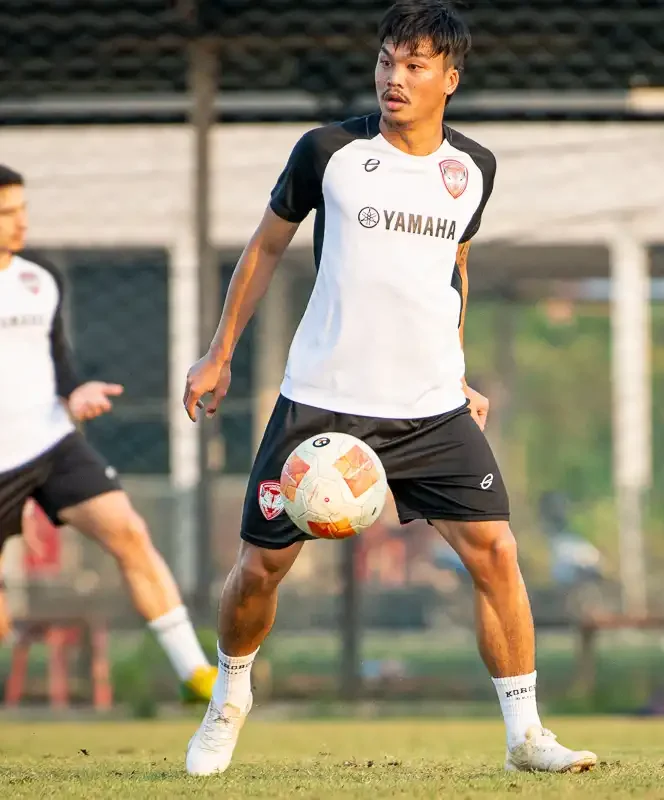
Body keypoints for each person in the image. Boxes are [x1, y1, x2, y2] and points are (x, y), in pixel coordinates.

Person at [183, 0, 597, 775]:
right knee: (260, 569)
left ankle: (526, 735)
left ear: (451, 77)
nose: (393, 77)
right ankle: (229, 695)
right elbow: (266, 248)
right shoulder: (328, 151)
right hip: (322, 400)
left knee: (497, 553)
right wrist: (218, 353)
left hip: (431, 407)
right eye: (386, 59)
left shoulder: (474, 168)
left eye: (414, 65)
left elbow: (454, 270)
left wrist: (459, 369)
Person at [0, 164, 216, 703]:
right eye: (6, 214)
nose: (19, 224)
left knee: (129, 534)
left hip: (50, 445)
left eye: (22, 210)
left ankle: (196, 675)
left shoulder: (39, 277)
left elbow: (55, 362)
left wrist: (74, 394)